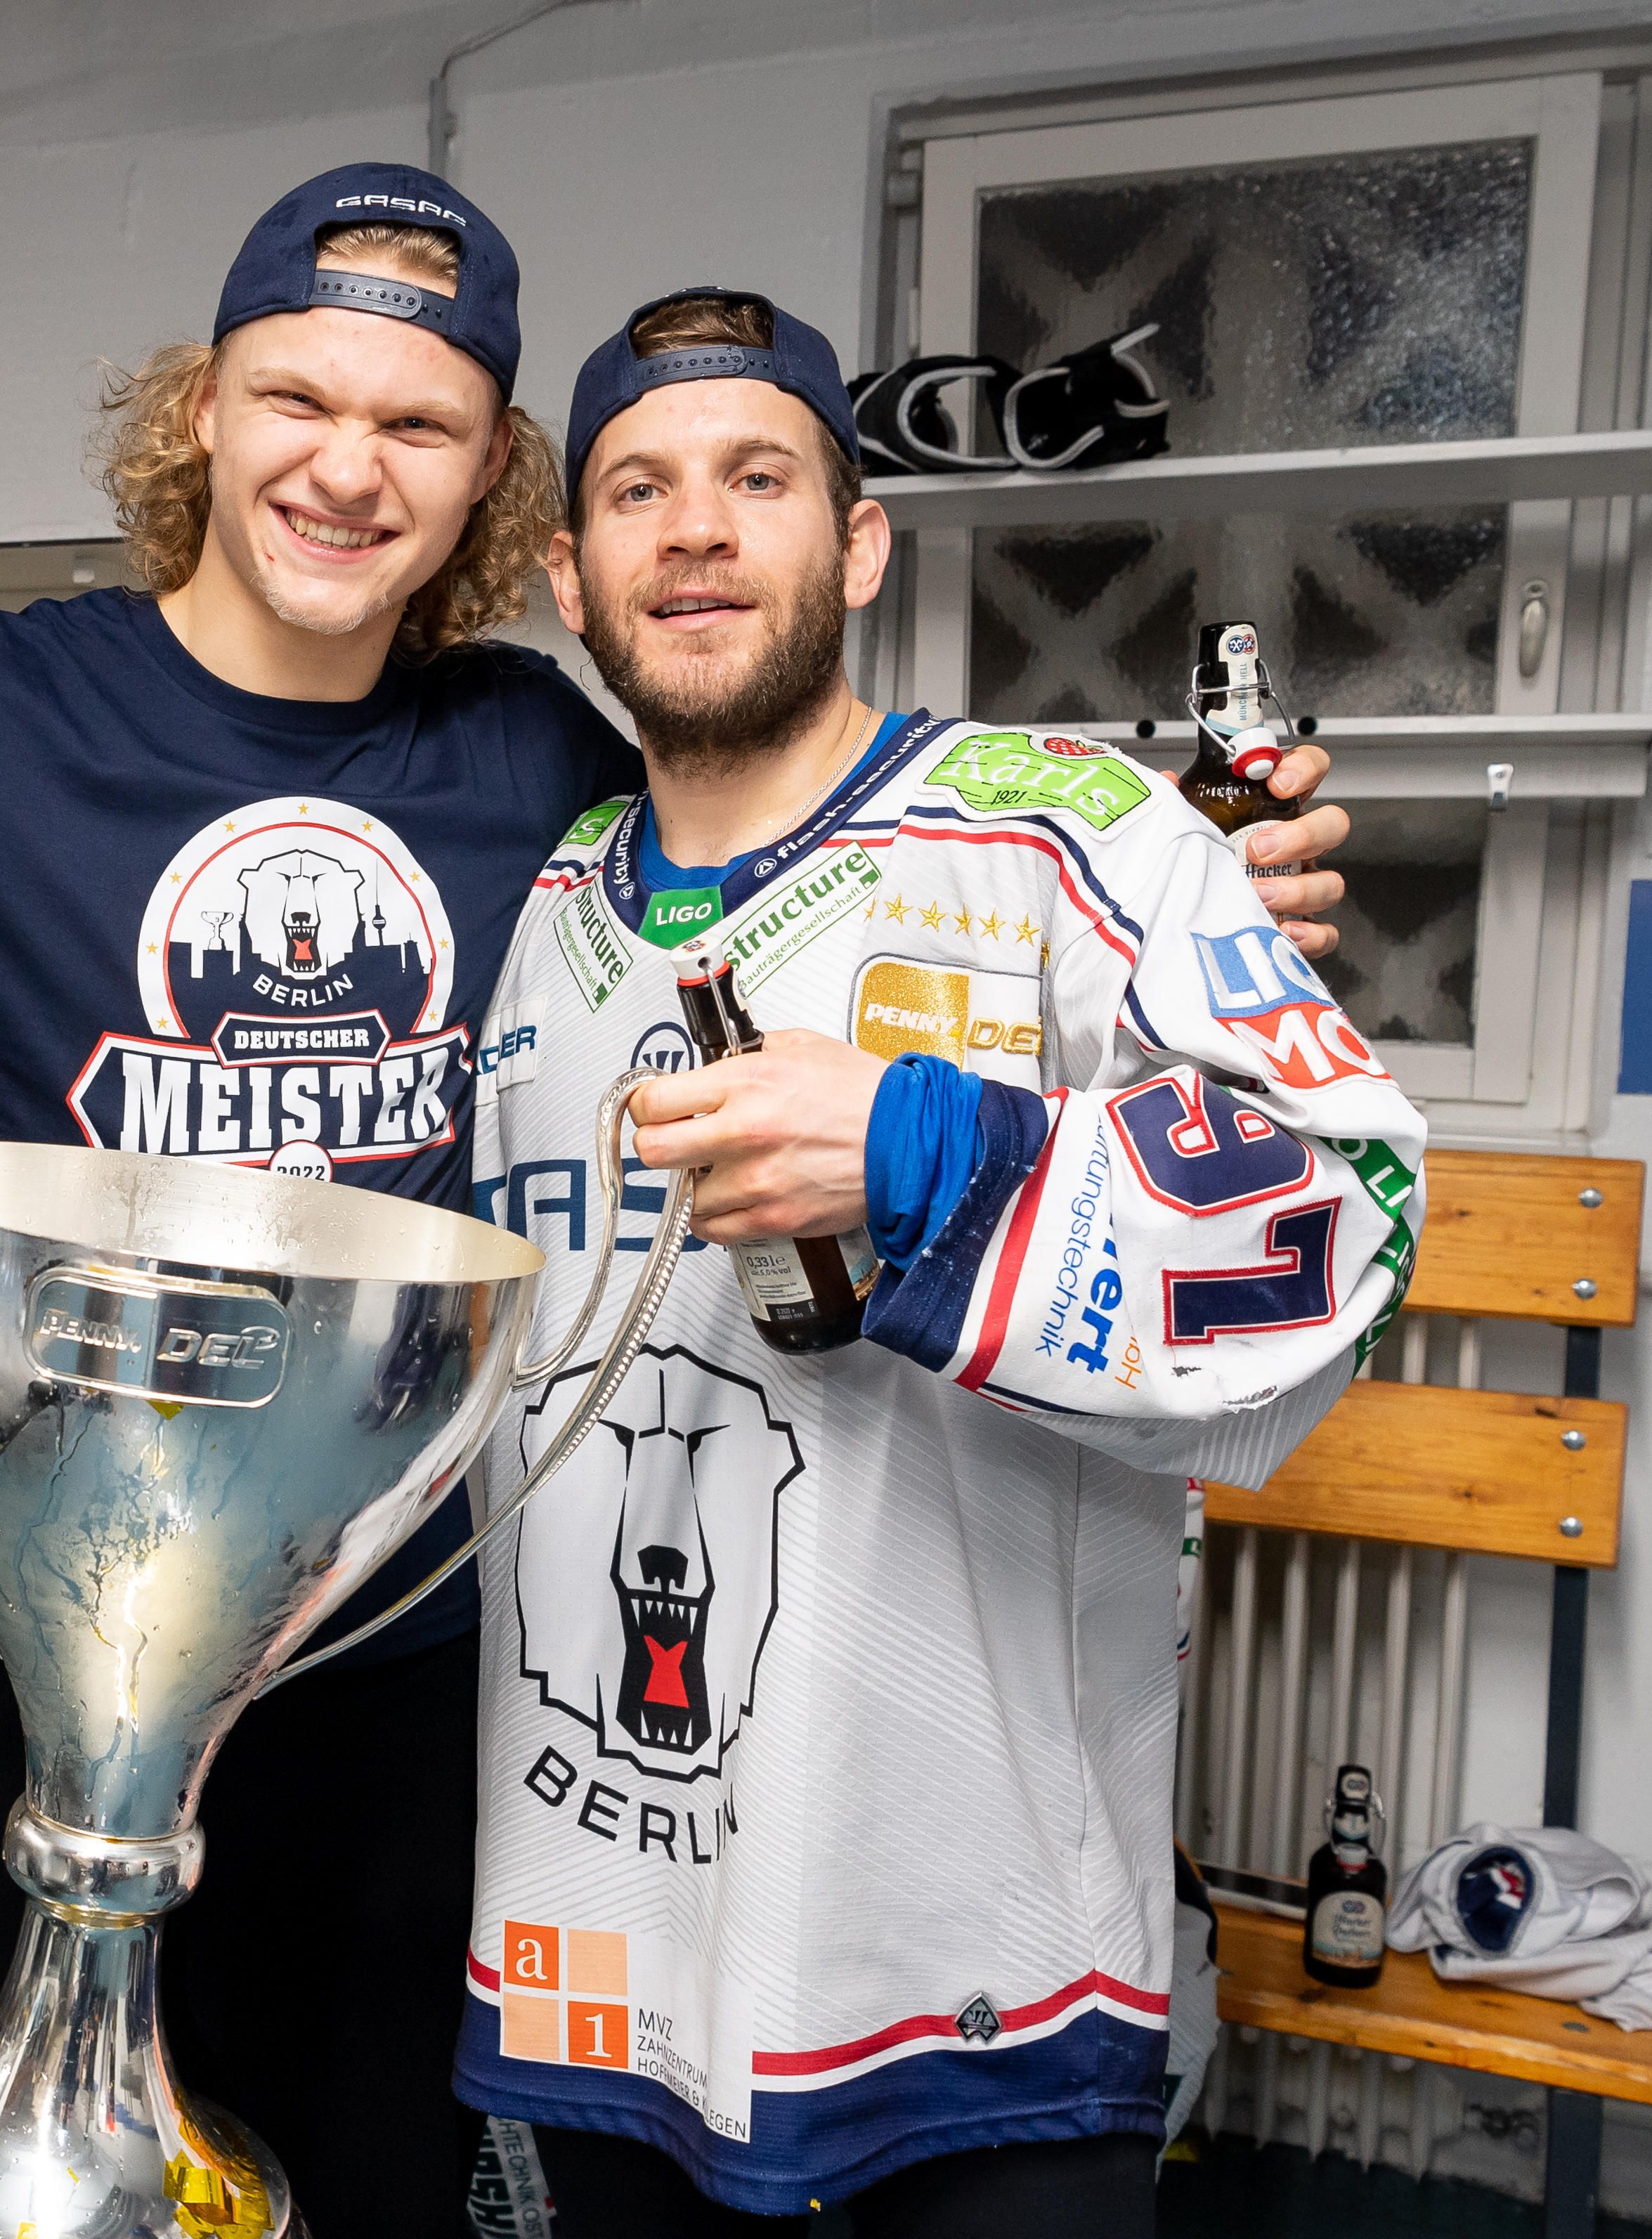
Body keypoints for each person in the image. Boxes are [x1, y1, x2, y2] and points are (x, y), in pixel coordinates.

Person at [0, 168, 1348, 2229]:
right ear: (202, 410)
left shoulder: (526, 758)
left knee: (350, 2196)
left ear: (493, 486)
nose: (344, 469)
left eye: (420, 427)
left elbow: (784, 849)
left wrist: (1177, 886)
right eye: (298, 398)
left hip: (375, 1672)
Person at [448, 289, 1429, 2235]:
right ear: (570, 573)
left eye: (759, 478)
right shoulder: (544, 903)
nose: (699, 529)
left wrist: (924, 1148)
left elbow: (1348, 1210)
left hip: (974, 1958)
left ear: (861, 541)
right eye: (640, 489)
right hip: (606, 1930)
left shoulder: (1073, 837)